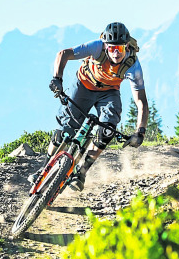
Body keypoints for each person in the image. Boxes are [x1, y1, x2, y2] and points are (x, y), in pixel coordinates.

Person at [39, 21, 148, 191]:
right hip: (84, 85)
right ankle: (43, 169)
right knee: (65, 131)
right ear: (105, 45)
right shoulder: (97, 47)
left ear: (127, 46)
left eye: (119, 49)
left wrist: (140, 132)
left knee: (107, 130)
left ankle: (81, 173)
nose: (116, 53)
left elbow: (141, 101)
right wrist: (57, 79)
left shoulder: (133, 65)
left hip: (109, 92)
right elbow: (63, 54)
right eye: (112, 48)